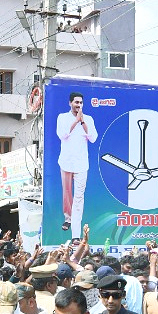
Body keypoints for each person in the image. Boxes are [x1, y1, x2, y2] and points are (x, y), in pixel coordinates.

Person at [55, 91, 98, 234]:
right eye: (76, 102)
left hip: (81, 164)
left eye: (81, 103)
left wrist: (82, 121)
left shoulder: (89, 119)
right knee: (67, 193)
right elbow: (62, 135)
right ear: (70, 103)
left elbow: (93, 138)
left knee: (79, 197)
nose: (79, 105)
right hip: (66, 162)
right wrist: (75, 122)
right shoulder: (62, 117)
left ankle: (76, 231)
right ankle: (68, 218)